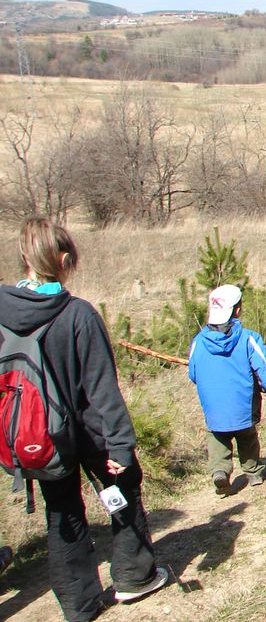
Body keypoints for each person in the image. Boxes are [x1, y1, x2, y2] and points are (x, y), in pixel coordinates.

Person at [0, 218, 168, 620]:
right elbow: (101, 390)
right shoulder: (77, 314)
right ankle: (133, 577)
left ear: (23, 257)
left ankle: (80, 604)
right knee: (123, 489)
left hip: (34, 436)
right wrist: (121, 445)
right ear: (63, 259)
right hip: (89, 433)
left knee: (62, 512)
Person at [188, 284, 266, 495]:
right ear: (237, 309)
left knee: (217, 436)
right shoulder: (248, 338)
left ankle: (220, 471)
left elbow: (193, 374)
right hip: (243, 404)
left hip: (214, 407)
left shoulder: (198, 342)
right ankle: (253, 472)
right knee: (247, 435)